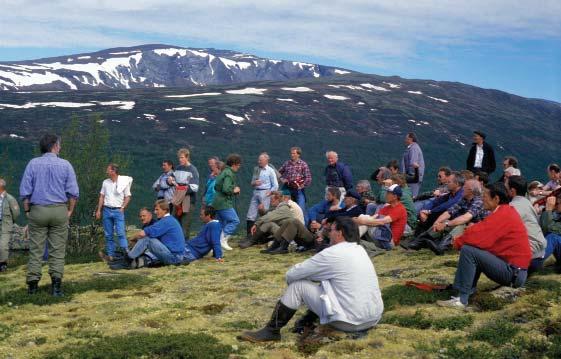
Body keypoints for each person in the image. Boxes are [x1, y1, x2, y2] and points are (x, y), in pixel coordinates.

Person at [238, 217, 383, 342]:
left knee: (298, 286)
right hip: (372, 318)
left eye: (331, 230)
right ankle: (307, 320)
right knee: (326, 283)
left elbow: (291, 275)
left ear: (340, 233)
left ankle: (271, 331)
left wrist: (301, 293)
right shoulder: (360, 250)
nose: (329, 233)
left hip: (351, 322)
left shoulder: (332, 253)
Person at [437, 183, 530, 309]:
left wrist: (456, 242)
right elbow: (482, 232)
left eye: (485, 196)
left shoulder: (503, 214)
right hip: (515, 272)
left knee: (469, 250)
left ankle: (461, 299)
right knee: (474, 250)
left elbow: (479, 236)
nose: (482, 199)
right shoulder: (506, 212)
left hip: (512, 272)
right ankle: (467, 291)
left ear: (496, 199)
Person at [20, 134, 79, 296]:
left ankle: (32, 288)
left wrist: (27, 212)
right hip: (59, 210)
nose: (60, 147)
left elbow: (25, 193)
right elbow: (73, 193)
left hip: (37, 210)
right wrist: (69, 211)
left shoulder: (33, 164)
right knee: (57, 250)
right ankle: (56, 288)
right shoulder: (66, 165)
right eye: (59, 144)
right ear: (54, 145)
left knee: (36, 250)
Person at [409, 179, 488, 254]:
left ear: (470, 190)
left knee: (459, 225)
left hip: (481, 227)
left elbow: (466, 217)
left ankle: (441, 247)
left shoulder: (479, 201)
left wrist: (446, 224)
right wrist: (438, 222)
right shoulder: (464, 198)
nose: (462, 188)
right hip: (468, 223)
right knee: (447, 221)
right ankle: (421, 240)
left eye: (464, 187)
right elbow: (449, 211)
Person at [126, 200, 186, 268]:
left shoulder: (165, 221)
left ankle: (128, 259)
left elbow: (142, 234)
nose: (155, 212)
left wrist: (131, 238)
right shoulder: (170, 220)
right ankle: (133, 257)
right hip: (176, 256)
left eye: (157, 209)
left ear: (165, 210)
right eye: (155, 210)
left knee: (147, 239)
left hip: (174, 258)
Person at [505, 176, 547, 274]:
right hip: (539, 255)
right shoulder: (526, 203)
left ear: (512, 191)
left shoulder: (514, 206)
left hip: (529, 258)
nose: (504, 188)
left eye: (506, 186)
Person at [95, 163, 133, 260]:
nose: (106, 171)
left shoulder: (124, 182)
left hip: (118, 210)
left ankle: (126, 255)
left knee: (120, 233)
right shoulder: (105, 182)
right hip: (107, 209)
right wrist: (99, 210)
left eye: (108, 169)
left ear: (113, 171)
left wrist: (123, 207)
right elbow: (102, 196)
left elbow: (128, 196)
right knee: (108, 234)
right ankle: (111, 255)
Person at [354, 184, 408, 249]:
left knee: (364, 221)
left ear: (395, 196)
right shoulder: (387, 207)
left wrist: (361, 221)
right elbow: (373, 218)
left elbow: (381, 222)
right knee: (364, 217)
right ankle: (351, 241)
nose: (386, 195)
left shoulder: (400, 208)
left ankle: (350, 241)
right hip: (381, 236)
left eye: (388, 193)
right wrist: (359, 219)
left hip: (389, 243)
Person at [414, 172, 464, 236]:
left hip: (454, 219)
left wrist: (430, 212)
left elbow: (447, 205)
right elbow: (435, 201)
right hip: (441, 215)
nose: (447, 184)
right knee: (423, 213)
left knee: (433, 215)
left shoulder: (461, 194)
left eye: (449, 182)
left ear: (456, 184)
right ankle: (417, 238)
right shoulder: (451, 193)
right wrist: (424, 210)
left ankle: (421, 238)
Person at [213, 154, 242, 251]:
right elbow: (226, 189)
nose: (239, 166)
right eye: (238, 164)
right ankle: (223, 239)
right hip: (224, 202)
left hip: (217, 201)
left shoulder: (224, 171)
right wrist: (234, 190)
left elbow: (217, 186)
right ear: (234, 164)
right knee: (235, 220)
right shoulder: (229, 173)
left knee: (221, 224)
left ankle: (215, 245)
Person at [168, 148, 200, 240]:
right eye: (179, 158)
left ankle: (185, 246)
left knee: (185, 225)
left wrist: (182, 188)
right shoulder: (178, 168)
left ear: (187, 157)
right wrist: (169, 181)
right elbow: (171, 179)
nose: (180, 159)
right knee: (174, 222)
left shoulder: (193, 170)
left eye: (182, 157)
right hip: (177, 199)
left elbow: (195, 187)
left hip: (188, 200)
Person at [246, 153, 279, 237]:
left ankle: (264, 234)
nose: (259, 161)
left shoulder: (270, 170)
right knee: (251, 213)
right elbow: (252, 183)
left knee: (264, 213)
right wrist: (254, 183)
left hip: (265, 193)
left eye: (260, 160)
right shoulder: (257, 169)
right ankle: (249, 235)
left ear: (266, 160)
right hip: (256, 191)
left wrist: (270, 192)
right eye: (259, 160)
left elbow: (275, 185)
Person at [278, 147, 312, 223]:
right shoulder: (287, 163)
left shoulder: (303, 164)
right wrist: (282, 180)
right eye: (291, 153)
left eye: (294, 153)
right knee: (283, 206)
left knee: (301, 208)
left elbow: (308, 178)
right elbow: (278, 172)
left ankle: (304, 228)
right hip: (287, 188)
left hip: (298, 190)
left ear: (298, 154)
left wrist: (302, 185)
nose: (292, 155)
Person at [0, 178, 20, 272]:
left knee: (3, 245)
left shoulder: (10, 199)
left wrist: (10, 222)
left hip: (5, 224)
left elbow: (16, 213)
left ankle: (2, 264)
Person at [539, 193, 561, 273]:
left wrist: (548, 210)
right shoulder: (558, 214)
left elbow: (549, 229)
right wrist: (544, 211)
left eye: (557, 204)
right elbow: (542, 230)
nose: (555, 205)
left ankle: (534, 261)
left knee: (553, 237)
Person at [399, 132, 425, 197]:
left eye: (406, 138)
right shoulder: (411, 148)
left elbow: (413, 163)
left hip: (413, 178)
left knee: (411, 197)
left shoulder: (414, 148)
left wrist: (407, 176)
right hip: (411, 177)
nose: (405, 140)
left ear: (410, 139)